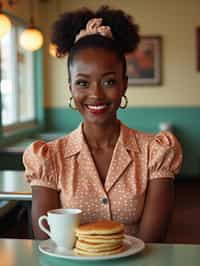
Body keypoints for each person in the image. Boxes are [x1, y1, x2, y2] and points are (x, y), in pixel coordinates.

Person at [23, 6, 182, 242]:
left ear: (124, 85)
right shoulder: (48, 159)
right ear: (70, 88)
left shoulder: (156, 153)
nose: (96, 94)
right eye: (83, 83)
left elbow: (151, 244)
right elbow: (48, 242)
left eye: (108, 82)